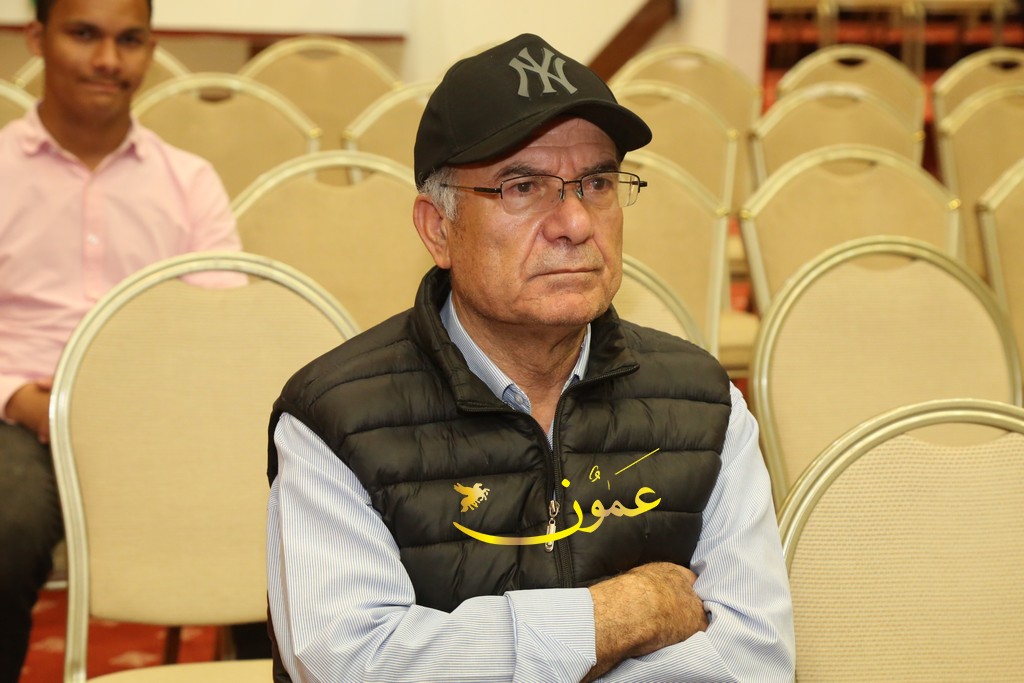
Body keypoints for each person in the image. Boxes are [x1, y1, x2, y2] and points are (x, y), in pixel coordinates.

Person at [266, 33, 795, 682]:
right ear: (438, 229)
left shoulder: (702, 403)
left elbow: (754, 658)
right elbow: (359, 662)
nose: (575, 223)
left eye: (597, 182)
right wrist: (613, 617)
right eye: (523, 187)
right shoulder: (337, 420)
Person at [0, 0, 245, 678]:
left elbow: (223, 328)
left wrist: (148, 400)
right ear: (36, 38)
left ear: (150, 48)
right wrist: (18, 397)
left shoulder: (188, 180)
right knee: (5, 522)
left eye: (130, 39)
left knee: (288, 505)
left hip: (158, 418)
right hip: (19, 416)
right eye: (84, 34)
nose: (109, 60)